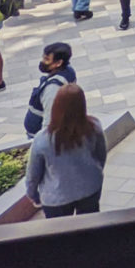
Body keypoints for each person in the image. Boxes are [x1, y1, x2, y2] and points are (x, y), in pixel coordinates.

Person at [26, 83, 108, 219]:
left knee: (61, 235)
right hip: (90, 187)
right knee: (90, 229)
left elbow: (33, 174)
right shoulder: (94, 127)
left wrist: (33, 195)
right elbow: (101, 155)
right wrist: (97, 171)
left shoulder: (42, 139)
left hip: (56, 197)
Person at [25, 42, 77, 138]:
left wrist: (44, 142)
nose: (42, 61)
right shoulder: (69, 70)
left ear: (58, 63)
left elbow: (50, 120)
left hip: (37, 137)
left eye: (47, 59)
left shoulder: (52, 89)